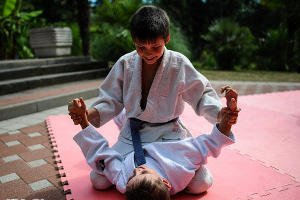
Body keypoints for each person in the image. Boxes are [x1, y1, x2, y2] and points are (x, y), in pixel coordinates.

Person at [68, 5, 238, 194]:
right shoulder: (126, 63)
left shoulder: (178, 64)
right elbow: (111, 99)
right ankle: (125, 120)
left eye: (155, 47)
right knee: (97, 180)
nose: (148, 53)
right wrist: (86, 115)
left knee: (202, 183)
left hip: (169, 136)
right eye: (141, 47)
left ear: (167, 38)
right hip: (133, 135)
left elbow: (202, 94)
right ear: (134, 40)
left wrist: (220, 114)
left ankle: (178, 167)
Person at [70, 94, 239, 200]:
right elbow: (210, 144)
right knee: (202, 183)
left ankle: (126, 123)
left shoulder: (125, 182)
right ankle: (128, 121)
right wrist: (228, 120)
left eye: (131, 177)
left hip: (143, 138)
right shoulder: (179, 166)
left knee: (98, 179)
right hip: (169, 140)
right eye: (142, 172)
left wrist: (83, 121)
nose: (137, 170)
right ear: (165, 182)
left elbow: (102, 154)